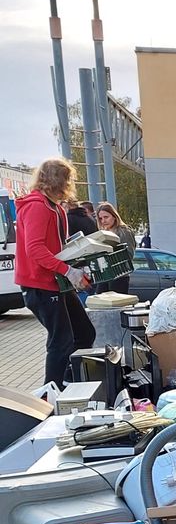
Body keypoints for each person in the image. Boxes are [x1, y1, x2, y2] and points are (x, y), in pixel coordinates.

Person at [15, 158, 96, 387]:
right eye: (68, 179)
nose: (70, 184)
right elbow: (35, 249)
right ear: (59, 180)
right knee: (61, 341)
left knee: (84, 333)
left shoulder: (53, 206)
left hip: (55, 282)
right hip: (41, 285)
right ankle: (52, 393)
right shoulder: (38, 206)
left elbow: (52, 246)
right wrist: (68, 270)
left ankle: (70, 383)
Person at [95, 201, 136, 294]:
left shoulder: (124, 231)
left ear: (114, 216)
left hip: (120, 274)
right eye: (100, 218)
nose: (103, 221)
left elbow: (129, 254)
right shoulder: (103, 232)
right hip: (105, 274)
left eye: (106, 217)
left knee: (116, 304)